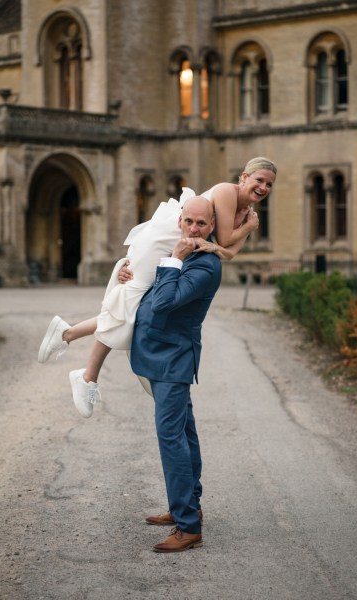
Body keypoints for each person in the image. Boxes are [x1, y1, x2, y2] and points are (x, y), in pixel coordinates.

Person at [38, 157, 277, 416]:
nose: (263, 187)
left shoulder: (246, 215)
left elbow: (227, 253)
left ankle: (68, 337)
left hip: (174, 249)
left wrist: (234, 236)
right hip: (162, 243)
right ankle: (86, 375)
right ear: (243, 177)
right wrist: (249, 228)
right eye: (259, 180)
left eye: (269, 184)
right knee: (129, 304)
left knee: (133, 307)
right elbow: (226, 240)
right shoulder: (227, 193)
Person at [130, 195, 222, 552]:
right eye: (189, 221)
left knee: (172, 438)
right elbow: (151, 287)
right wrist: (130, 270)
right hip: (159, 354)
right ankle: (189, 505)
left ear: (212, 226)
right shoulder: (180, 253)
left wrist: (176, 259)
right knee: (185, 431)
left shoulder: (205, 266)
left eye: (201, 223)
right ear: (180, 220)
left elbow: (166, 302)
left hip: (173, 359)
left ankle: (188, 526)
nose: (194, 229)